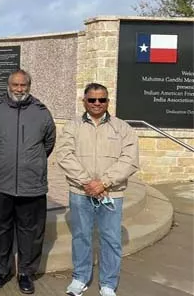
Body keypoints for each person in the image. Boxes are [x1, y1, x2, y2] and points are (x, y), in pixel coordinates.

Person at [55, 83, 139, 296]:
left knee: (110, 238)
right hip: (80, 192)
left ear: (108, 102)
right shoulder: (72, 126)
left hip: (111, 193)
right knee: (81, 236)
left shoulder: (122, 128)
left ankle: (108, 283)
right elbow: (64, 155)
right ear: (84, 101)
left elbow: (130, 160)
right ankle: (80, 278)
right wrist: (87, 182)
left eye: (102, 99)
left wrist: (104, 183)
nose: (97, 103)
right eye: (92, 100)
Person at [0, 69, 56, 294]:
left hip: (31, 185)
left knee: (31, 231)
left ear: (29, 86)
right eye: (15, 85)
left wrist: (31, 163)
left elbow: (49, 142)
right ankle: (1, 272)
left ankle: (25, 273)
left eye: (23, 85)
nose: (19, 89)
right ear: (8, 86)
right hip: (1, 184)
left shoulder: (41, 112)